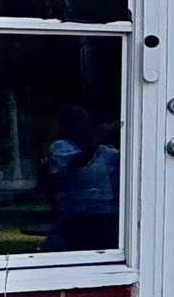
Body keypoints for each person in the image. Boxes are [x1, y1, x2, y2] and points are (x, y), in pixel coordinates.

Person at [45, 105, 121, 250]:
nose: (82, 126)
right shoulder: (60, 147)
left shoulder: (107, 152)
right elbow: (79, 162)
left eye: (85, 121)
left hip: (104, 215)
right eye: (76, 121)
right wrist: (99, 137)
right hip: (73, 215)